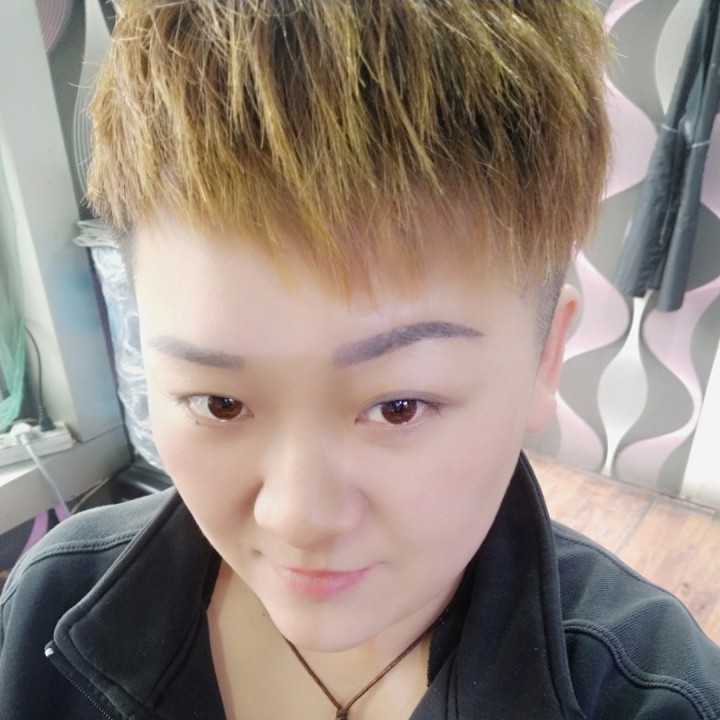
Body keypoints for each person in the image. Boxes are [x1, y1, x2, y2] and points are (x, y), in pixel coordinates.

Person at [1, 1, 718, 718]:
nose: (298, 517)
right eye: (221, 403)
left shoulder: (657, 699)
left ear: (546, 356)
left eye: (398, 407)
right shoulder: (45, 610)